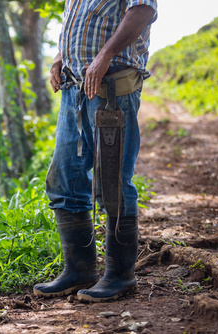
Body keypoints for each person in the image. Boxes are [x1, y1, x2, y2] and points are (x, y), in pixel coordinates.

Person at [33, 0, 157, 302]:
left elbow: (142, 10)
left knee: (112, 184)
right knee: (65, 181)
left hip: (111, 90)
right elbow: (80, 26)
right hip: (73, 89)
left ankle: (120, 275)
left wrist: (106, 54)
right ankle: (79, 270)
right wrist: (61, 56)